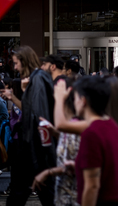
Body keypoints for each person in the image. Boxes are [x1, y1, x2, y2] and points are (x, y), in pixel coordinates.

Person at [54, 76, 118, 205]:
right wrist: (79, 166)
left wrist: (59, 98)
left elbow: (92, 187)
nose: (74, 101)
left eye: (76, 97)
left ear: (83, 101)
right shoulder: (111, 125)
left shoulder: (91, 133)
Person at [6, 46, 56, 206]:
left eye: (16, 63)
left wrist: (43, 151)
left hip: (34, 149)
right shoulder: (37, 80)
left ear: (24, 61)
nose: (15, 67)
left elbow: (40, 117)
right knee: (28, 194)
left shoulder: (38, 80)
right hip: (34, 149)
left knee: (22, 195)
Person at [32, 77, 80, 206]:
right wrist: (55, 133)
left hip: (74, 197)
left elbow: (77, 165)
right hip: (65, 195)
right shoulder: (71, 127)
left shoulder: (75, 126)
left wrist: (48, 172)